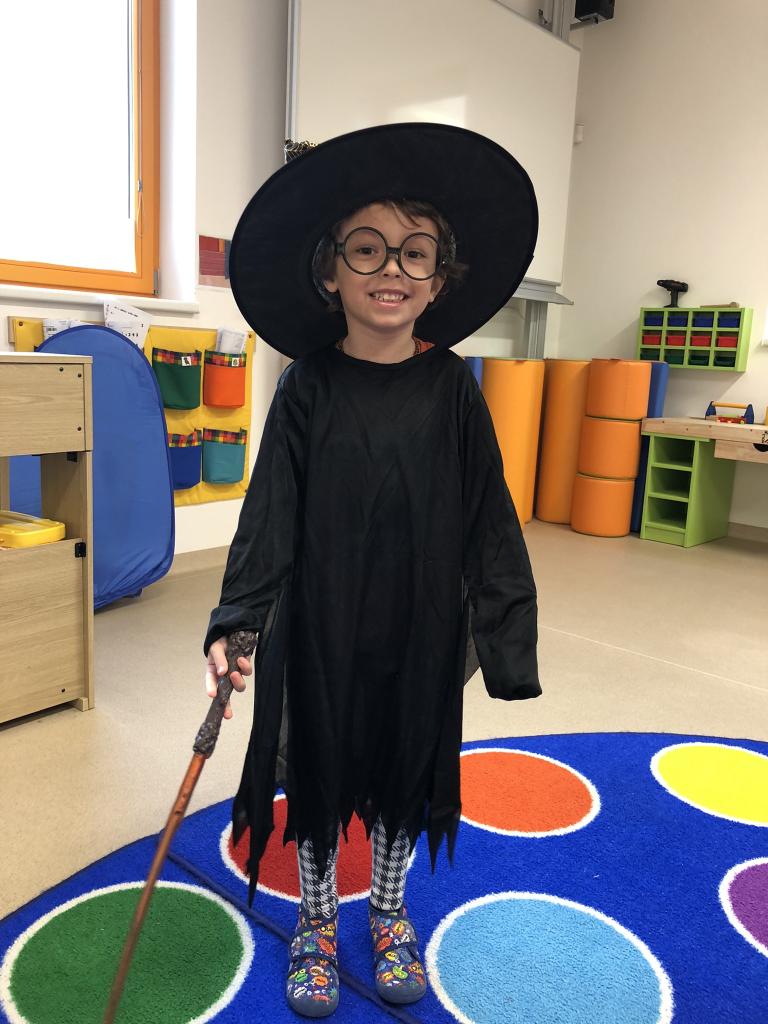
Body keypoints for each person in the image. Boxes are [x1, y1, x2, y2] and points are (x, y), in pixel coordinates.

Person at [203, 122, 541, 1018]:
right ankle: (317, 920)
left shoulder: (454, 389)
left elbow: (490, 518)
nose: (392, 268)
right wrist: (238, 621)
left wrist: (507, 640)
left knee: (403, 765)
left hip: (421, 622)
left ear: (438, 278)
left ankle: (388, 909)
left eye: (414, 252)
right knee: (319, 762)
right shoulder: (306, 387)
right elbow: (268, 515)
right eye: (368, 248)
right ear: (330, 272)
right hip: (321, 623)